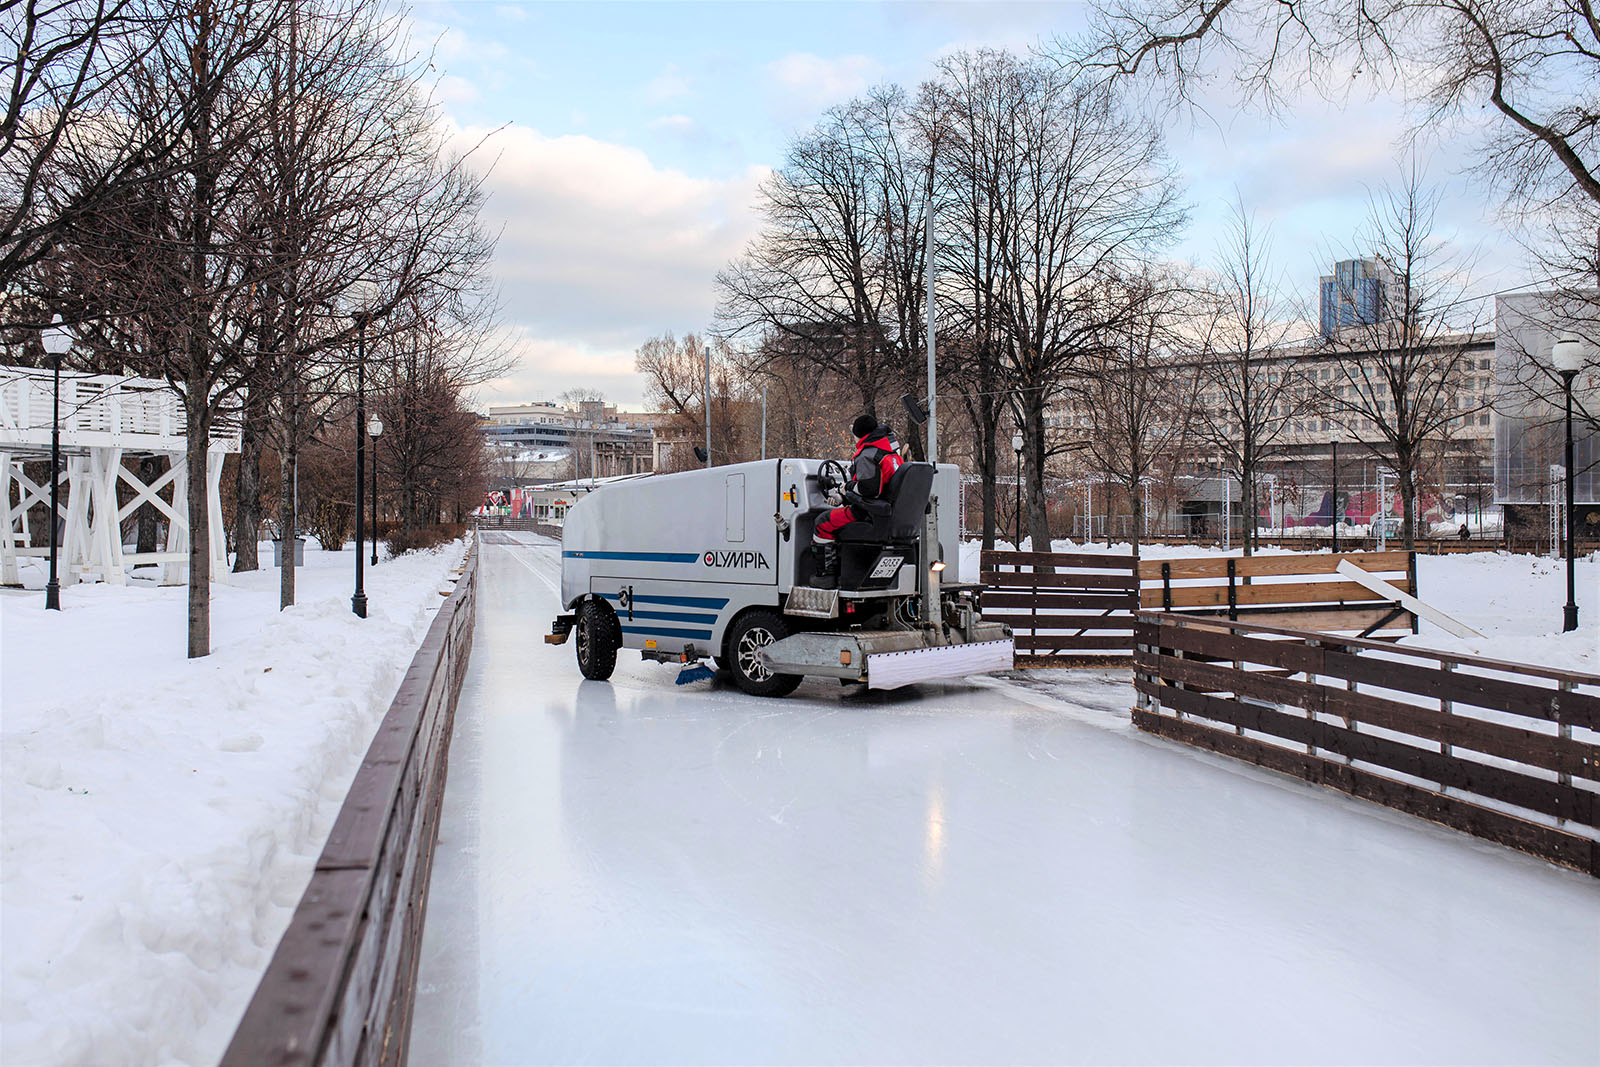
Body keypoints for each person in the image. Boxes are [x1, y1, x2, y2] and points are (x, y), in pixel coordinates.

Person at [810, 414, 905, 588]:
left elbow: (869, 489)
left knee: (821, 522)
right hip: (885, 515)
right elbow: (881, 487)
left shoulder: (868, 454)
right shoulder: (891, 454)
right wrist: (843, 496)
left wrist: (847, 487)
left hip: (867, 514)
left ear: (859, 434)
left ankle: (825, 576)